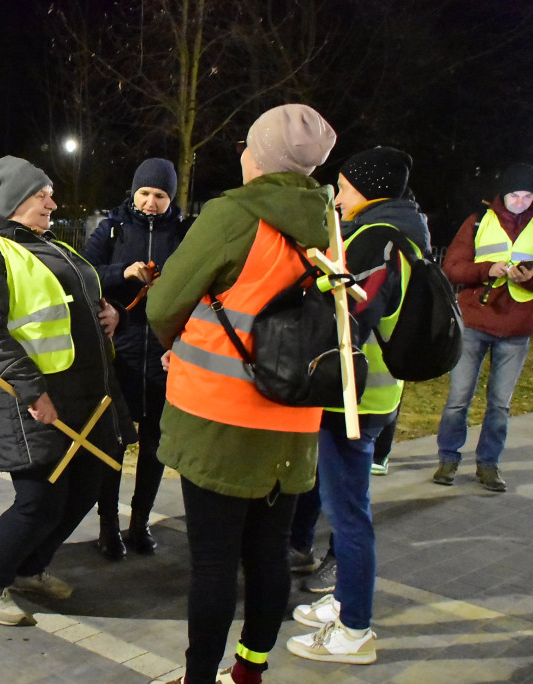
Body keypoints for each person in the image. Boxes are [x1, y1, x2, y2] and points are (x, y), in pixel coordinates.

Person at [148, 104, 337, 684]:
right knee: (268, 554)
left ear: (262, 156)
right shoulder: (328, 223)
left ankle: (198, 677)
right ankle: (250, 670)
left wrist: (176, 337)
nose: (242, 154)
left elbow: (163, 303)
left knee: (212, 562)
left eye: (248, 146)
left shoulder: (233, 215)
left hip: (219, 418)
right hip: (295, 417)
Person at [0, 155, 136, 626]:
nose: (52, 203)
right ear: (15, 200)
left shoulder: (53, 247)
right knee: (40, 500)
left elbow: (80, 303)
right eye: (42, 195)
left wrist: (113, 313)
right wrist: (31, 390)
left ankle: (31, 569)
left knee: (87, 486)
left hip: (88, 399)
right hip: (33, 399)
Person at [287, 146, 430, 666]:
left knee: (348, 513)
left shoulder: (377, 238)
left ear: (369, 187)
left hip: (354, 393)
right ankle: (345, 601)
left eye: (344, 185)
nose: (339, 195)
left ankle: (354, 629)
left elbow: (353, 315)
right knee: (347, 504)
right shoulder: (408, 229)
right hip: (378, 388)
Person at [80, 157, 186, 560]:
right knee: (116, 439)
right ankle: (108, 525)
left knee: (156, 443)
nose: (151, 202)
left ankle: (139, 522)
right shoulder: (112, 227)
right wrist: (124, 273)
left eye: (160, 195)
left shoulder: (184, 231)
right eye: (144, 193)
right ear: (133, 192)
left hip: (163, 353)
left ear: (171, 197)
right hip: (120, 347)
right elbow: (86, 271)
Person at [432, 163, 533, 493]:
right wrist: (488, 268)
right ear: (502, 195)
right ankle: (448, 458)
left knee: (500, 405)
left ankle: (488, 465)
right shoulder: (477, 222)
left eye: (528, 195)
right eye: (515, 195)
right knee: (458, 398)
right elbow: (452, 269)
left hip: (517, 328)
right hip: (474, 322)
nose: (521, 201)